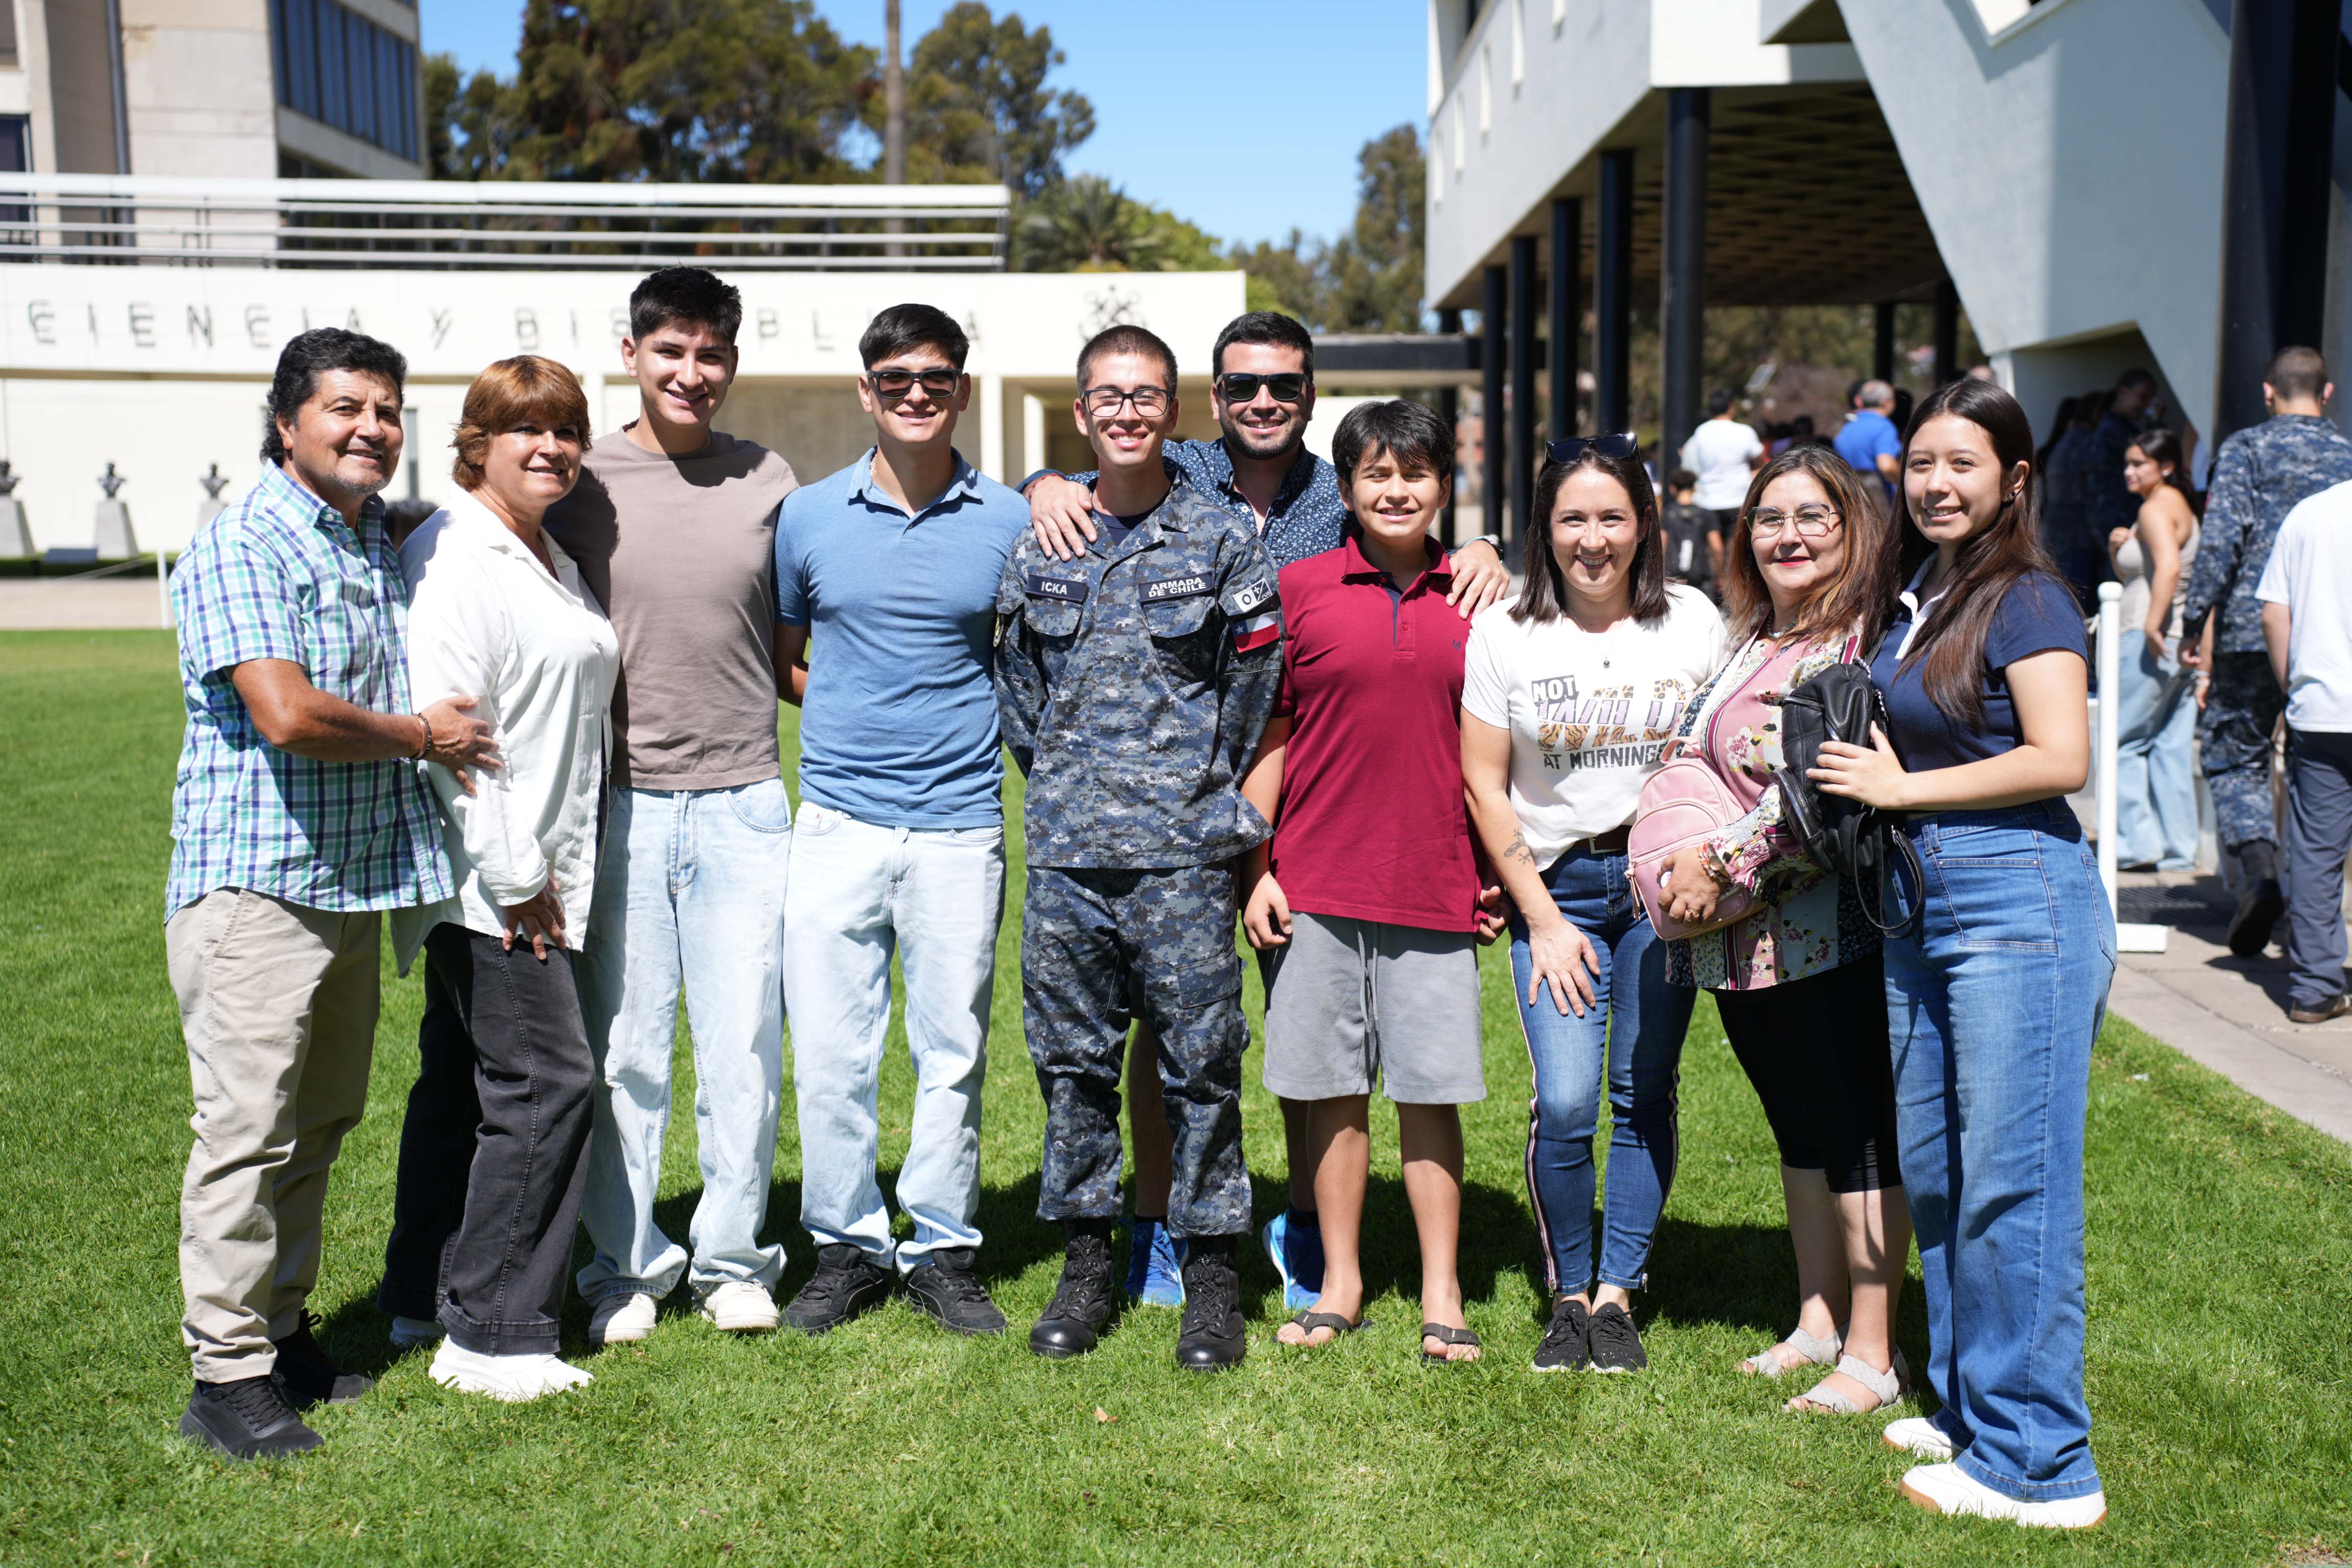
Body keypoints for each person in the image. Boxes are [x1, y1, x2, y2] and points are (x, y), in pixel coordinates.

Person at [1021, 311, 1512, 1311]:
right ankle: (1157, 1226)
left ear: (1309, 394)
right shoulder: (1179, 469)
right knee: (1167, 1028)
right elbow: (1087, 490)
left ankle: (1304, 1228)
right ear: (1212, 397)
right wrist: (1039, 482)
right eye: (1242, 385)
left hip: (1309, 797)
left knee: (1303, 1038)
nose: (1262, 401)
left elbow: (1411, 530)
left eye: (1283, 385)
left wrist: (1486, 547)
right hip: (1172, 803)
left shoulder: (1341, 491)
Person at [165, 328, 496, 1459]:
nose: (372, 428)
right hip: (256, 890)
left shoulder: (365, 534)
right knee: (247, 1134)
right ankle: (225, 1377)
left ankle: (282, 1332)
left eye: (387, 411)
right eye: (346, 408)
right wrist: (422, 736)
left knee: (317, 1124)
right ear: (285, 422)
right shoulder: (244, 544)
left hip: (350, 886)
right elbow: (287, 713)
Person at [1809, 377, 2112, 1529]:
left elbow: (2060, 755)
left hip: (2017, 897)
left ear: (2013, 478)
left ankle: (2040, 1466)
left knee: (2012, 1182)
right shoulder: (1928, 589)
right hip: (1923, 901)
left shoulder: (2028, 596)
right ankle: (1973, 1405)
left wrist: (1900, 789)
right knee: (1940, 1173)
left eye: (1963, 464)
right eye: (1922, 462)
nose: (1936, 484)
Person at [993, 323, 1282, 1371]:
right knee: (1072, 1068)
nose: (1126, 412)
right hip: (1070, 857)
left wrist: (1193, 792)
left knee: (1200, 1069)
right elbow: (1019, 692)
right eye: (1108, 396)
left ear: (1174, 411)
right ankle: (1086, 1264)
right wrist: (1075, 782)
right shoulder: (1041, 545)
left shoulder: (1221, 540)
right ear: (1081, 413)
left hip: (1182, 858)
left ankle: (1210, 1276)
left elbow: (1253, 688)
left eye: (1146, 395)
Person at [543, 267, 800, 1345]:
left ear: (731, 362)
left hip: (746, 801)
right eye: (671, 351)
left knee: (744, 1048)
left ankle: (733, 1261)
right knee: (627, 1055)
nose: (691, 372)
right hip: (622, 805)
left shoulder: (769, 478)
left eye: (711, 354)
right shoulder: (579, 479)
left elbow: (798, 639)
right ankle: (624, 1267)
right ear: (632, 354)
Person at [771, 304, 1030, 1336]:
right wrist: (854, 709)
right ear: (865, 391)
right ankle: (845, 1246)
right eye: (894, 378)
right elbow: (788, 655)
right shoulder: (808, 516)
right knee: (832, 1053)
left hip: (961, 823)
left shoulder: (1011, 518)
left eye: (934, 377)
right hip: (837, 818)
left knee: (951, 1049)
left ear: (961, 389)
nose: (914, 393)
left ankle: (941, 1248)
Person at [1242, 401, 1502, 1365]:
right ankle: (1340, 1282)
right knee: (1331, 1092)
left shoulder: (1480, 600)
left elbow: (1500, 757)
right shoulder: (1299, 588)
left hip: (1434, 882)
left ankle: (1443, 1290)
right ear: (1346, 488)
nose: (1397, 491)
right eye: (1376, 475)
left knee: (1431, 1094)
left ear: (1445, 486)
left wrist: (1494, 873)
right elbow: (1270, 736)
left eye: (1416, 474)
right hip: (1314, 881)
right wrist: (1255, 870)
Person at [1656, 445, 1913, 1418]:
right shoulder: (1755, 636)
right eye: (1768, 518)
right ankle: (1815, 1320)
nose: (1787, 536)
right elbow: (1694, 750)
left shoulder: (1858, 643)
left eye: (1812, 517)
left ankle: (1873, 1351)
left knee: (1856, 1134)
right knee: (1797, 1127)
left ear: (1852, 528)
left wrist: (1714, 866)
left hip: (1824, 929)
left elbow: (1821, 788)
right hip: (1739, 943)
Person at [1461, 434, 1726, 1374]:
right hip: (1559, 889)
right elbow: (1484, 782)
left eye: (1612, 517)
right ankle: (1566, 1294)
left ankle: (1617, 1295)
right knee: (1568, 1100)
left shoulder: (1692, 620)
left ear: (1644, 524)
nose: (1592, 538)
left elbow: (1722, 755)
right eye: (1572, 518)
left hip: (1662, 890)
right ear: (1544, 528)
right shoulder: (1505, 632)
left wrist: (1705, 864)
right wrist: (1539, 919)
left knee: (1643, 1089)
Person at [378, 356, 616, 1401]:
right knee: (545, 1084)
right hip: (502, 881)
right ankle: (494, 1333)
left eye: (566, 430)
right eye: (527, 429)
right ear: (478, 443)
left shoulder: (543, 549)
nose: (551, 447)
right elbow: (453, 731)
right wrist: (518, 874)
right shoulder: (456, 555)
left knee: (460, 1084)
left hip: (532, 863)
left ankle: (420, 1297)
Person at [2180, 347, 2352, 956]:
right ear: (2327, 393)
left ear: (2267, 391)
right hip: (2330, 633)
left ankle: (2260, 872)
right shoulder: (2346, 455)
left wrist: (2194, 619)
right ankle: (2316, 920)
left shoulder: (2247, 448)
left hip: (2252, 628)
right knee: (2322, 778)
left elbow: (2221, 540)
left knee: (2235, 755)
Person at [2258, 473, 2352, 1023]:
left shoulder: (2309, 514)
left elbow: (2275, 613)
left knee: (2317, 852)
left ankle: (2316, 988)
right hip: (2319, 707)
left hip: (2321, 707)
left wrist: (2293, 686)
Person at [2107, 427, 2201, 871]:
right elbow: (2148, 571)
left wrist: (2150, 626)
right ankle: (2178, 849)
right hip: (2180, 638)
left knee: (2121, 740)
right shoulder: (2178, 505)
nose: (2129, 471)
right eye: (2127, 463)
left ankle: (2136, 844)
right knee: (2170, 746)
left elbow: (2169, 567)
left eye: (2138, 464)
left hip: (2150, 637)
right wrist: (2118, 550)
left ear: (2165, 466)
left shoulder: (2155, 508)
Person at [2040, 392, 2107, 608]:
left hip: (2057, 532)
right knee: (2075, 603)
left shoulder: (2067, 441)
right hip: (2078, 535)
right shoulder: (2086, 442)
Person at [1678, 388, 1767, 541]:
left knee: (1713, 549)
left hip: (1708, 500)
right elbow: (1760, 458)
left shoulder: (1701, 432)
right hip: (1739, 499)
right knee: (1736, 548)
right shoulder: (1745, 431)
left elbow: (1691, 462)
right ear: (1731, 406)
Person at [1833, 380, 1902, 508]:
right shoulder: (1884, 427)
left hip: (1851, 500)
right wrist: (1903, 482)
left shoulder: (1846, 429)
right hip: (1879, 502)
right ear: (1886, 402)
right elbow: (1887, 466)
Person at [1659, 466, 1720, 598]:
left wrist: (1660, 574)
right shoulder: (1706, 514)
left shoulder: (1666, 514)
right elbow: (1717, 548)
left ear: (1673, 489)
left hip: (1673, 577)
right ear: (1695, 488)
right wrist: (1721, 576)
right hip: (1701, 578)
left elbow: (1661, 545)